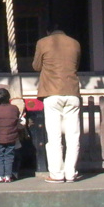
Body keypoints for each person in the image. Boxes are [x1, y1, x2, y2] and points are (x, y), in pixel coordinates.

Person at [33, 24, 81, 183]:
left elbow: (36, 66)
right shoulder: (75, 43)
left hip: (52, 93)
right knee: (73, 136)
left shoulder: (43, 42)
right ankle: (71, 172)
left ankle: (57, 173)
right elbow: (76, 65)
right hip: (72, 91)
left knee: (54, 137)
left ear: (49, 31)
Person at [0, 88, 21, 182]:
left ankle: (0, 176)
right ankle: (8, 176)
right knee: (9, 157)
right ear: (8, 97)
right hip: (11, 138)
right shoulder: (14, 108)